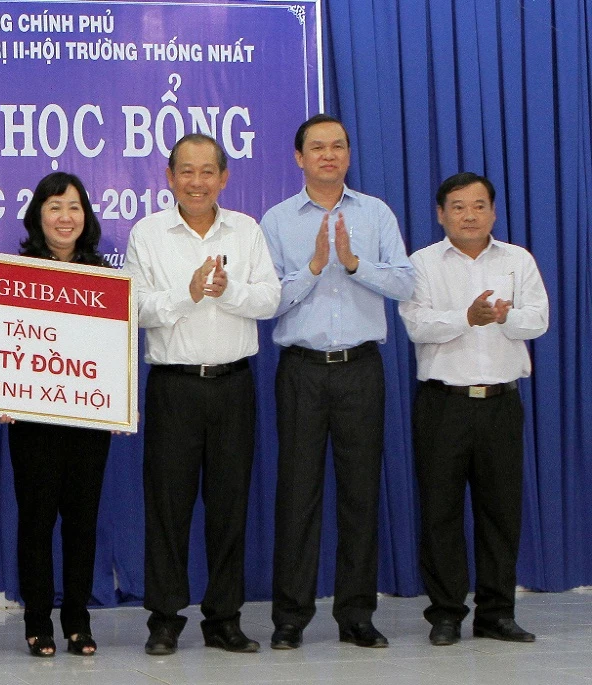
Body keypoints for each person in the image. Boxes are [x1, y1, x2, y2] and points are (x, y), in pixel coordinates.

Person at [260, 114, 415, 650]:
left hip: (361, 369)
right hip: (301, 370)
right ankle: (290, 618)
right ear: (299, 158)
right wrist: (313, 268)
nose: (328, 155)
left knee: (360, 494)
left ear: (348, 154)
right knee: (297, 495)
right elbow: (267, 300)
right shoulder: (277, 220)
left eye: (338, 146)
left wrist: (352, 264)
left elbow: (406, 284)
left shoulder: (375, 213)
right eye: (317, 147)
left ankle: (356, 615)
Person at [124, 133, 281, 655]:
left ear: (224, 178)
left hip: (234, 385)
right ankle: (165, 619)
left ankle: (225, 619)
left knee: (230, 508)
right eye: (186, 172)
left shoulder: (247, 230)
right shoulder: (148, 234)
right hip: (174, 387)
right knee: (167, 508)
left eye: (207, 171)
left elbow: (270, 299)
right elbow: (134, 308)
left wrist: (227, 291)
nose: (197, 182)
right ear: (170, 177)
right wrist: (187, 294)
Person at [399, 172, 548, 646]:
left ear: (493, 212)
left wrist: (505, 316)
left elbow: (538, 320)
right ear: (441, 214)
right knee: (439, 513)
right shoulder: (422, 263)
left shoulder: (517, 260)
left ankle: (497, 614)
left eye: (479, 206)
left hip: (501, 404)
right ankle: (445, 614)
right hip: (443, 404)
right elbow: (417, 325)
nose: (470, 215)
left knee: (500, 513)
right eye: (459, 207)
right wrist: (466, 317)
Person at [0, 172, 112, 658]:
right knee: (37, 523)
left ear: (86, 216)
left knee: (82, 523)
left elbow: (111, 351)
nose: (66, 217)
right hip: (33, 422)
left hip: (88, 421)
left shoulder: (105, 277)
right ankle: (37, 621)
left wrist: (119, 397)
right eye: (55, 207)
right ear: (38, 216)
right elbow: (0, 342)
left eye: (74, 207)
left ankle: (78, 621)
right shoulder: (16, 273)